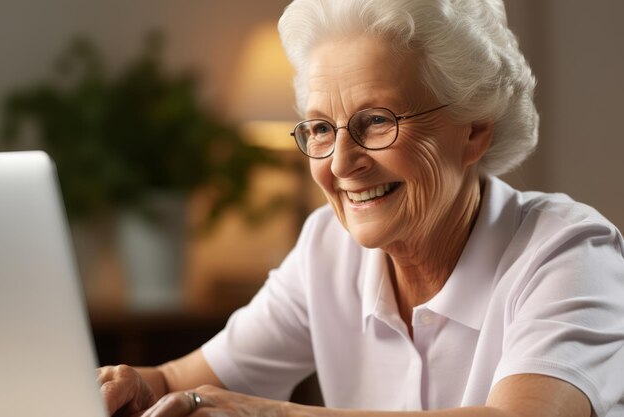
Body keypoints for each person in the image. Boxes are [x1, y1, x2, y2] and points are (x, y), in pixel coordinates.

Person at [97, 0, 624, 416]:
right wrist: (131, 387)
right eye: (322, 128)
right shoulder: (327, 246)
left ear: (474, 129)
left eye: (376, 121)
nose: (343, 163)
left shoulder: (571, 252)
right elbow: (179, 383)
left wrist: (272, 416)